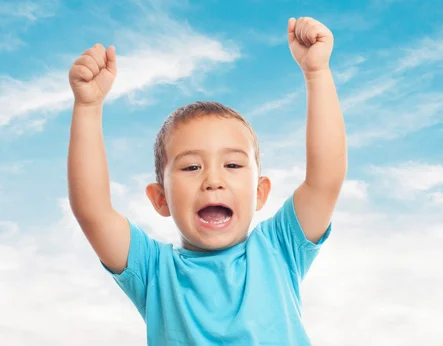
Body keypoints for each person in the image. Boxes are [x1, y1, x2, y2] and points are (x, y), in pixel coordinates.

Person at [67, 16, 346, 345]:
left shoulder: (279, 248)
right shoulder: (155, 271)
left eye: (231, 164)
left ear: (259, 192)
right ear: (161, 199)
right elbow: (93, 211)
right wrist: (87, 105)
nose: (213, 180)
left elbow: (325, 179)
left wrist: (317, 73)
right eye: (191, 168)